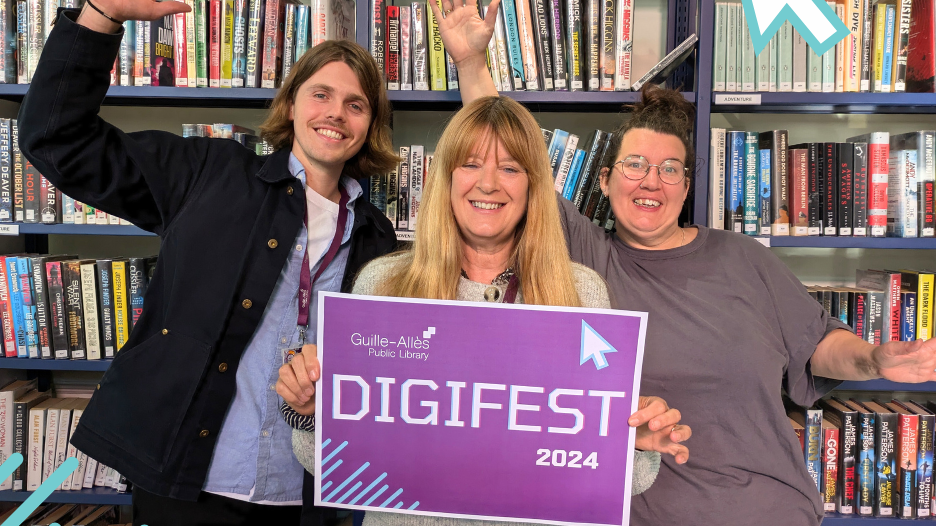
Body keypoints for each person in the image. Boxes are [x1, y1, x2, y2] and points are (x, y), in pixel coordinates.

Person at [434, 1, 936, 525]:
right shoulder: (583, 258)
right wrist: (471, 62)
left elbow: (821, 347)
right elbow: (510, 165)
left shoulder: (743, 259)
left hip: (769, 508)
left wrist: (874, 359)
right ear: (603, 182)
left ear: (687, 188)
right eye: (634, 165)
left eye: (669, 169)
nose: (651, 180)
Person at [17, 2, 399, 524]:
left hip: (307, 498)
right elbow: (57, 138)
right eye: (321, 94)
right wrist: (101, 14)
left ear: (371, 124)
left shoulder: (378, 239)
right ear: (291, 106)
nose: (336, 112)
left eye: (356, 104)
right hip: (189, 488)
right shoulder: (208, 173)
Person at [277, 96, 693, 525]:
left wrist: (635, 441)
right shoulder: (383, 286)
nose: (489, 184)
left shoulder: (581, 293)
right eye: (472, 163)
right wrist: (311, 411)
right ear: (447, 177)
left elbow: (611, 480)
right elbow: (333, 465)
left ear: (534, 185)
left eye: (510, 168)